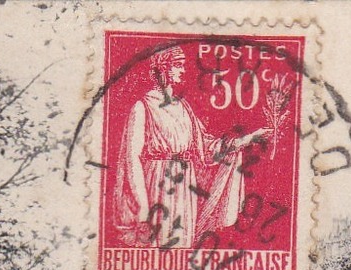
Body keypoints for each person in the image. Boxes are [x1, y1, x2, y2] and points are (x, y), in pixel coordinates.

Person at [114, 45, 275, 250]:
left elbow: (208, 149)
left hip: (184, 188)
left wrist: (248, 139)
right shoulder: (142, 106)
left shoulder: (184, 108)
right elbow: (132, 159)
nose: (183, 70)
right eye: (178, 65)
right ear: (163, 69)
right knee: (158, 248)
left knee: (181, 248)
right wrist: (143, 207)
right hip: (157, 185)